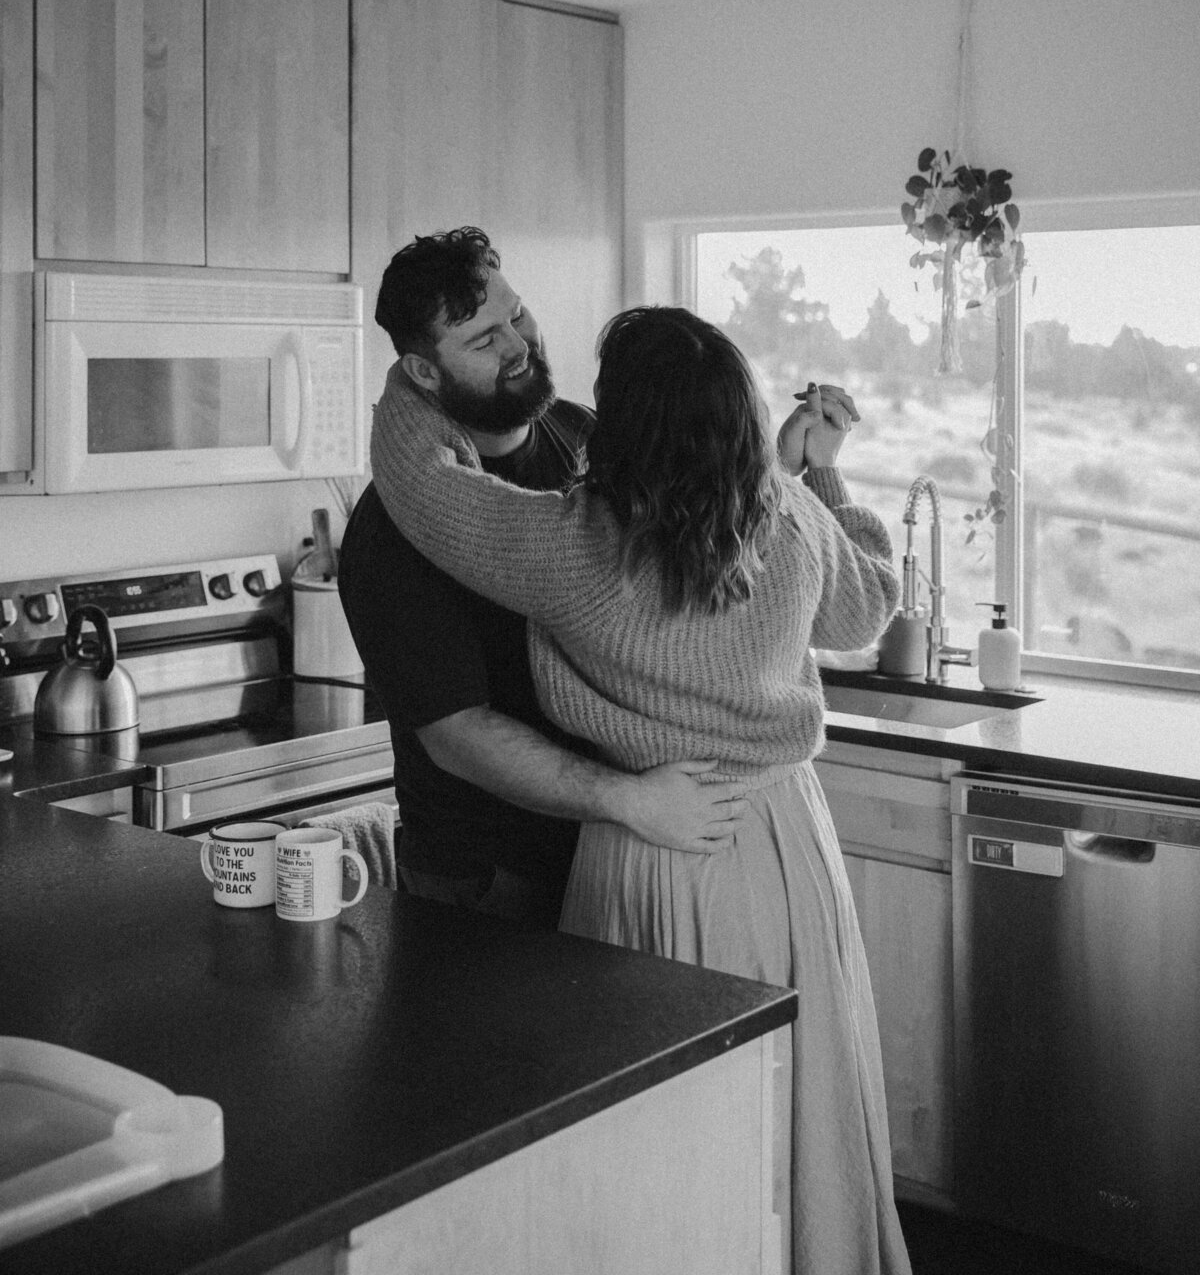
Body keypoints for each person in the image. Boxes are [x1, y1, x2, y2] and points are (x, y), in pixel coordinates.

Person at [367, 303, 911, 1275]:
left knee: (663, 1135)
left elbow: (421, 491)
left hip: (656, 837)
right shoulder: (794, 524)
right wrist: (815, 466)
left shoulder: (575, 547)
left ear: (621, 425)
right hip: (787, 844)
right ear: (742, 417)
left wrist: (417, 374)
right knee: (799, 1104)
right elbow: (872, 598)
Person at [337, 231, 746, 929]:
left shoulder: (580, 434)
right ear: (424, 374)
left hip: (610, 848)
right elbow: (457, 734)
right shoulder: (393, 532)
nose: (519, 345)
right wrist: (629, 800)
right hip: (489, 878)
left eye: (516, 315)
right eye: (483, 339)